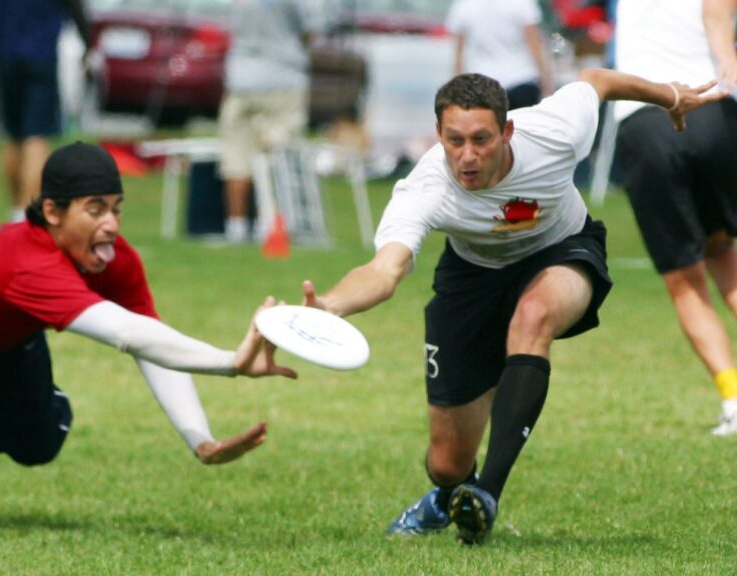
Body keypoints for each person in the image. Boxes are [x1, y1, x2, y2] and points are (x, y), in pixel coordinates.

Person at [298, 70, 723, 544]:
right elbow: (385, 271)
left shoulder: (555, 132)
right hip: (472, 277)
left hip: (563, 249)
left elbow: (598, 80)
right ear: (439, 135)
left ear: (507, 131)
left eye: (481, 139)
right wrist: (330, 305)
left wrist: (669, 97)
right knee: (445, 463)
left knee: (533, 317)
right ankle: (451, 494)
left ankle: (487, 494)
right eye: (454, 140)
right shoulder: (426, 187)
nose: (468, 155)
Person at [0, 142, 296, 513]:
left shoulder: (114, 260)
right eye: (95, 210)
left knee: (38, 445)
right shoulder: (28, 262)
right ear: (53, 212)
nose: (111, 225)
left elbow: (146, 340)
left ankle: (20, 395)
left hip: (2, 341)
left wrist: (200, 439)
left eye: (117, 209)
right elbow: (128, 335)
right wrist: (230, 363)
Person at [613, 0, 737, 435]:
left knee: (685, 280)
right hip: (712, 106)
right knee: (723, 253)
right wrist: (727, 59)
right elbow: (717, 13)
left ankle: (734, 401)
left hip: (643, 119)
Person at [0, 0, 90, 221]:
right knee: (37, 135)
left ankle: (15, 209)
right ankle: (27, 211)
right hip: (41, 55)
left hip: (5, 56)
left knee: (13, 136)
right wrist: (89, 46)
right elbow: (77, 10)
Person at [217, 0, 326, 244]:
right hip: (284, 78)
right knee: (282, 155)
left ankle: (235, 227)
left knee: (236, 156)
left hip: (241, 78)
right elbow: (309, 32)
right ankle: (273, 224)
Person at [445, 0, 554, 110]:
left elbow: (459, 54)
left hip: (482, 83)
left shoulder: (464, 5)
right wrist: (547, 82)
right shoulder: (522, 3)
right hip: (521, 79)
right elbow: (534, 44)